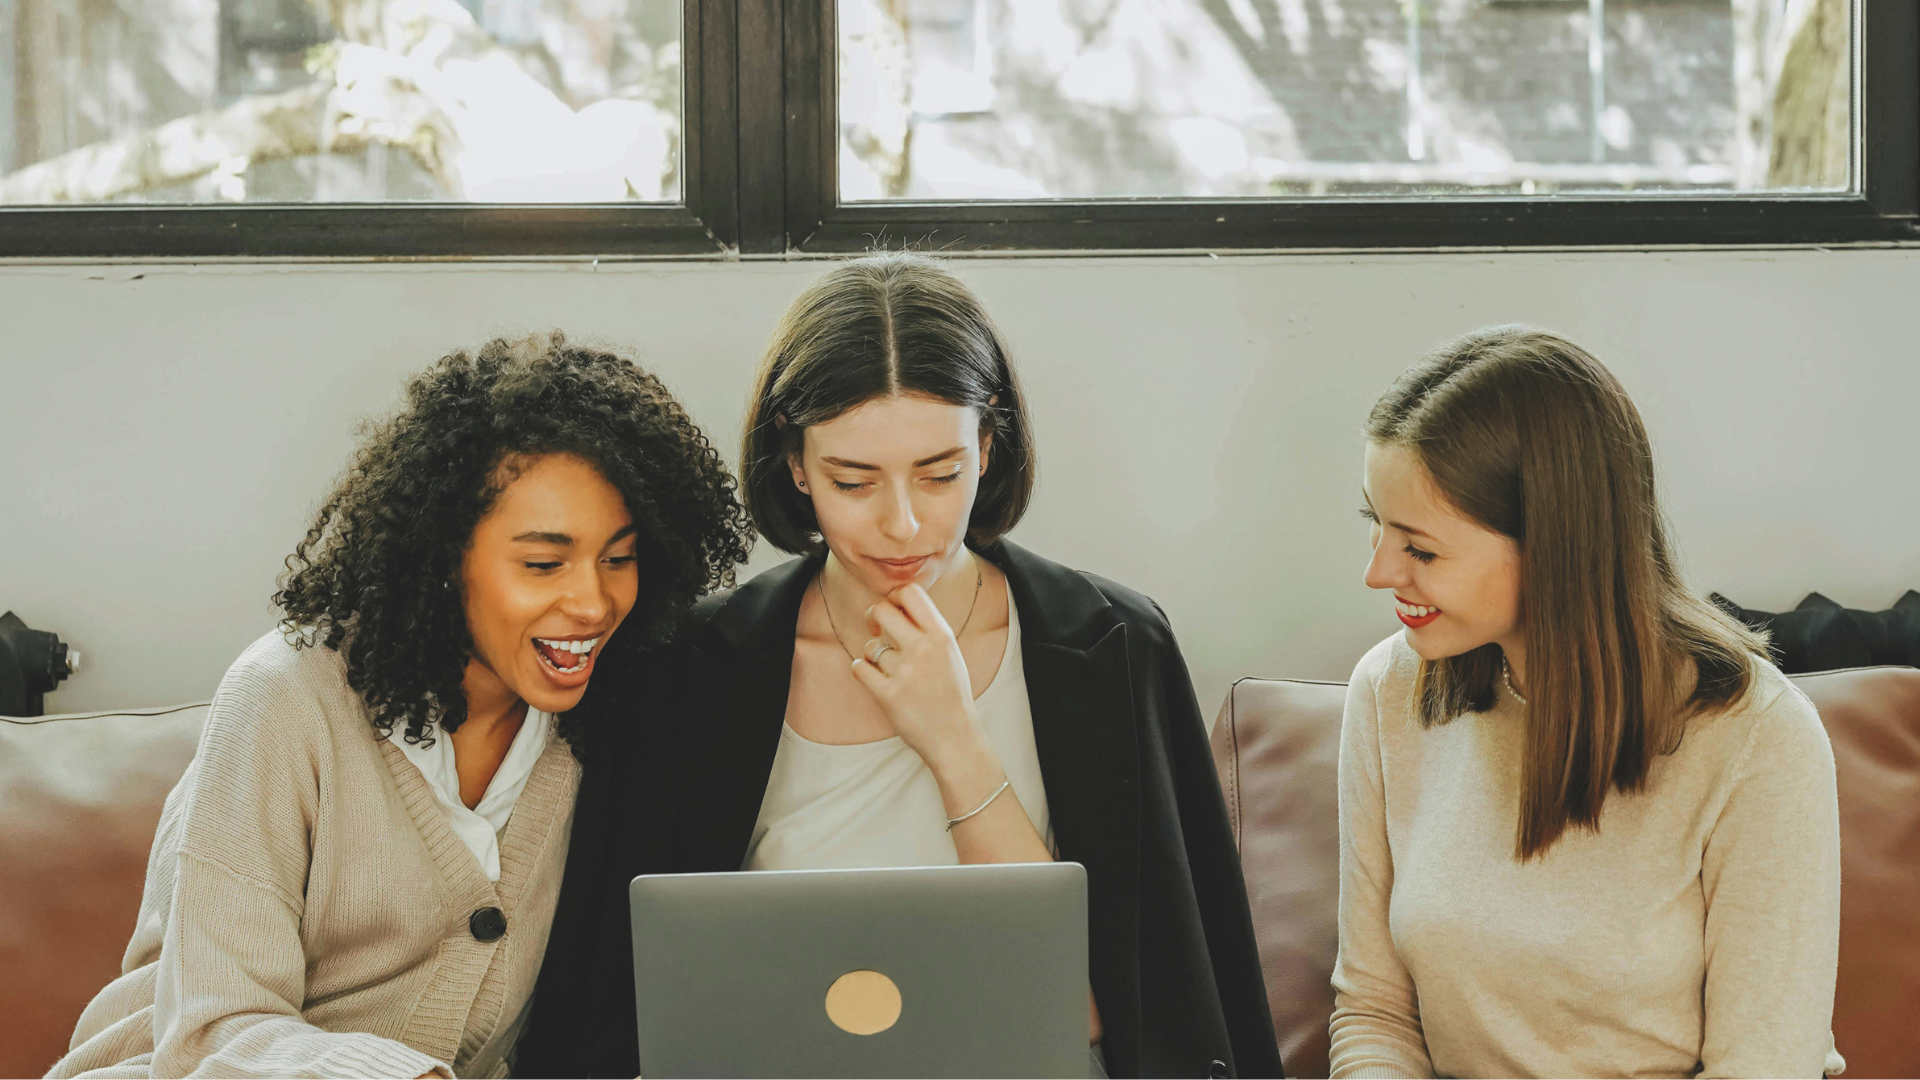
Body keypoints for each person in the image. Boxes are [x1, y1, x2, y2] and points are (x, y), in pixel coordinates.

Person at [515, 252, 1282, 1079]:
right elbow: (628, 1000)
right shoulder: (691, 669)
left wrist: (954, 742)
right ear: (797, 464)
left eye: (940, 473)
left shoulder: (1112, 645)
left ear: (987, 447)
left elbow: (1109, 1009)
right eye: (854, 481)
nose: (903, 525)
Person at [49, 334, 752, 1079]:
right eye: (543, 563)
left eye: (619, 558)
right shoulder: (286, 697)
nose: (593, 601)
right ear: (444, 558)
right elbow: (212, 1030)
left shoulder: (609, 719)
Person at [1330, 325, 1843, 1078]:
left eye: (1421, 547)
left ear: (1553, 544)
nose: (1379, 573)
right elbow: (1374, 1014)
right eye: (1375, 525)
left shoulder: (1758, 739)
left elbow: (1761, 1066)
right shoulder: (1388, 691)